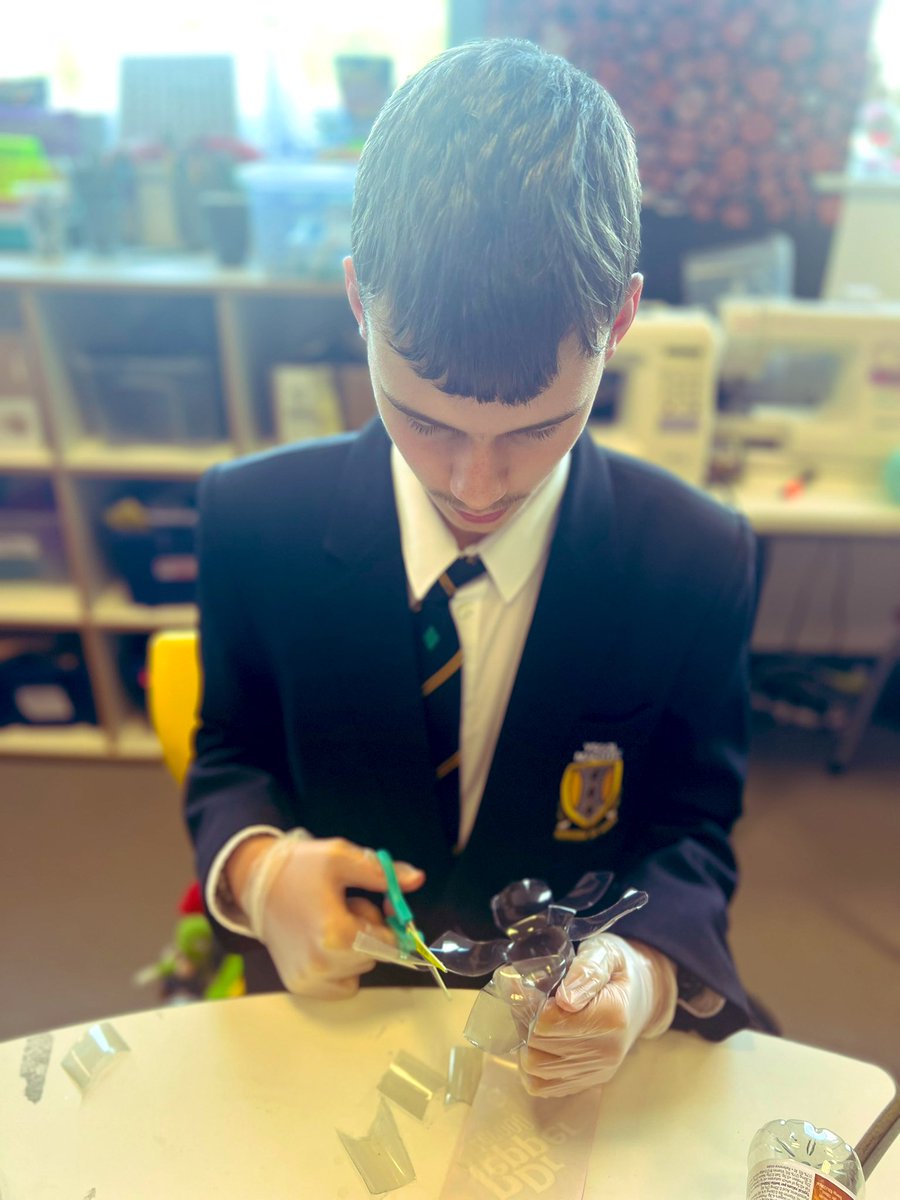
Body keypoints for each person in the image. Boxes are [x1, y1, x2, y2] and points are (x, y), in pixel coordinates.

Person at [185, 38, 763, 1098]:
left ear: (621, 319)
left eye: (539, 427)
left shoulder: (694, 560)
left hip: (556, 1056)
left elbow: (692, 828)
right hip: (332, 1026)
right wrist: (258, 873)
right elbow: (229, 749)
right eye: (424, 419)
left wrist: (646, 973)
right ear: (359, 303)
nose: (477, 484)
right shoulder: (253, 522)